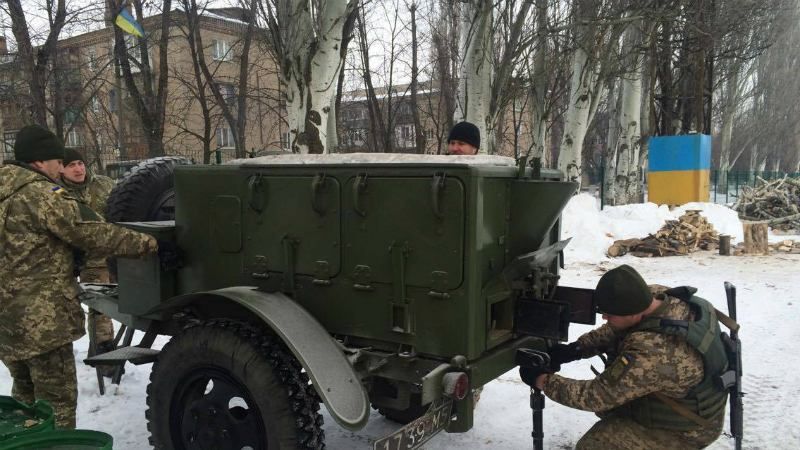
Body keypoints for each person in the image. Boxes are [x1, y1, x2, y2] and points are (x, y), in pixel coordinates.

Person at [0, 124, 159, 429]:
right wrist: (151, 244)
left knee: (23, 403)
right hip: (42, 323)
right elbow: (92, 232)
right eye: (59, 162)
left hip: (6, 324)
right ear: (39, 161)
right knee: (56, 406)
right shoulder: (44, 195)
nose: (61, 170)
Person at [520, 265, 728, 449]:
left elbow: (595, 397)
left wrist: (542, 380)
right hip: (690, 408)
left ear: (633, 312)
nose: (604, 318)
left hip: (686, 432)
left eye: (609, 314)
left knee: (594, 445)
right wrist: (576, 349)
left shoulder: (653, 353)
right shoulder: (659, 297)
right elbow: (618, 327)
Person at [59, 148, 118, 361]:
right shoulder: (56, 193)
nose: (78, 168)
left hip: (117, 252)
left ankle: (101, 348)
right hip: (88, 260)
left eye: (80, 163)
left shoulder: (103, 184)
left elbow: (120, 208)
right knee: (100, 306)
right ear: (62, 170)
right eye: (71, 165)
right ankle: (104, 351)